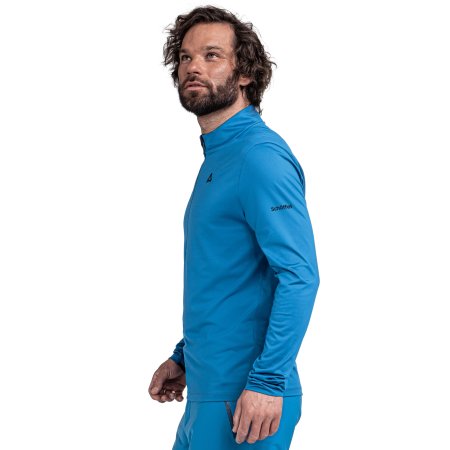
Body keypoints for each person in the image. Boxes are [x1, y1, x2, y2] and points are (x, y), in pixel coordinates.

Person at [148, 6, 320, 449]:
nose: (193, 67)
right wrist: (184, 356)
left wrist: (268, 380)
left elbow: (299, 277)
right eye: (185, 57)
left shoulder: (259, 157)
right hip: (208, 396)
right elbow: (226, 276)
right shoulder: (220, 158)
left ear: (244, 73)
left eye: (211, 55)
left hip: (246, 403)